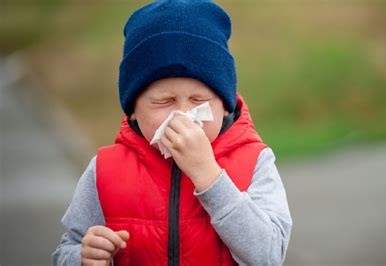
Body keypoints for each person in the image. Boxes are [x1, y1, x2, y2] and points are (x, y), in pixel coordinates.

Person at [52, 1, 292, 265]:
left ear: (224, 105)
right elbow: (67, 249)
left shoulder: (255, 161)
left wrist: (209, 176)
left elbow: (268, 256)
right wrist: (83, 257)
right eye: (164, 102)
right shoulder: (105, 171)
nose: (183, 115)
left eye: (199, 99)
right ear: (133, 109)